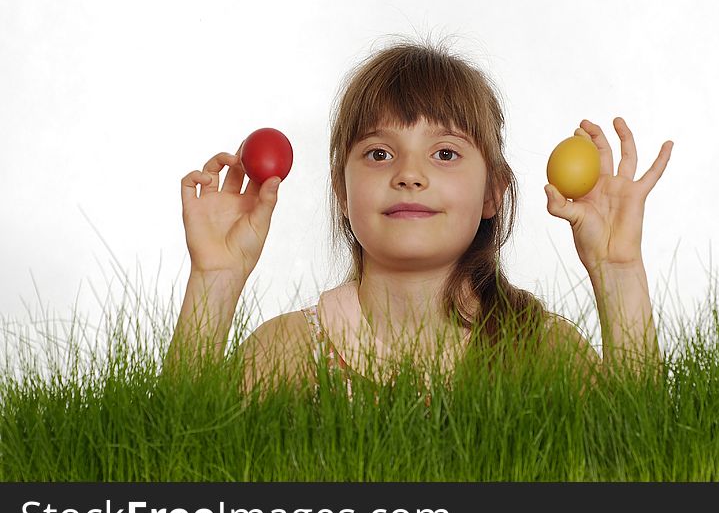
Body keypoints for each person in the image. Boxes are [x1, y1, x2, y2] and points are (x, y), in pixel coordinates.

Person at [163, 35, 674, 402]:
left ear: (493, 193)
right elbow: (176, 461)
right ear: (342, 192)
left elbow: (637, 457)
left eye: (445, 154)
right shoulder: (288, 352)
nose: (409, 174)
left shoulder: (541, 350)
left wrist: (618, 270)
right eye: (380, 154)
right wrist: (217, 278)